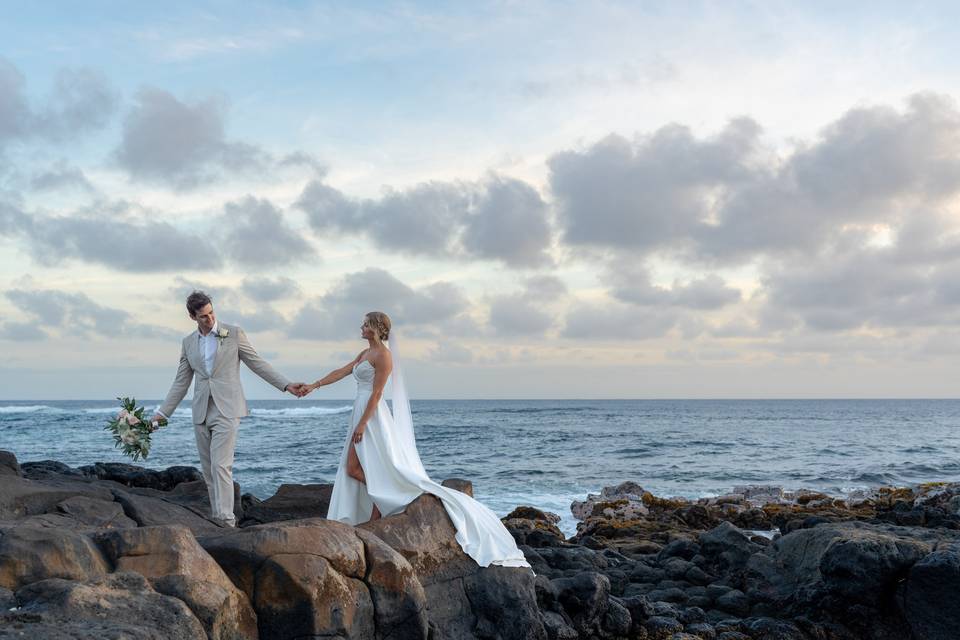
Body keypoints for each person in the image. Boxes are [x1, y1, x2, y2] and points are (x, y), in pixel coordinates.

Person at [300, 311, 529, 568]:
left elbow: (377, 394)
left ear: (375, 328)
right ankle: (382, 497)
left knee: (360, 468)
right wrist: (314, 385)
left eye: (365, 324)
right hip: (360, 411)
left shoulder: (384, 356)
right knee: (353, 469)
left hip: (372, 416)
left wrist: (363, 423)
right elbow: (342, 371)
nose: (361, 327)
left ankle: (381, 505)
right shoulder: (364, 354)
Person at [151, 291, 305, 527]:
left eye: (211, 312)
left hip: (227, 408)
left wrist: (285, 385)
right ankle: (217, 517)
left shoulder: (232, 333)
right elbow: (181, 381)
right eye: (203, 316)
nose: (210, 319)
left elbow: (257, 362)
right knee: (209, 470)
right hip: (201, 411)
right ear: (193, 317)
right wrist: (162, 414)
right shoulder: (188, 343)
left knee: (221, 465)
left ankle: (226, 520)